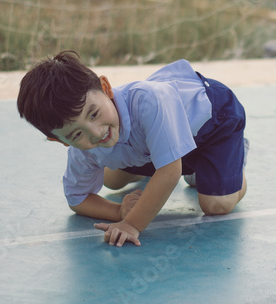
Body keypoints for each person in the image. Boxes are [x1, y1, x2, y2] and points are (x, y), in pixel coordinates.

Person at [17, 51, 248, 247]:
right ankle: (191, 164)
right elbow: (77, 199)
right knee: (112, 180)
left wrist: (130, 223)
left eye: (94, 113)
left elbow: (169, 173)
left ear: (106, 89)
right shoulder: (83, 148)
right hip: (153, 142)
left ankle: (234, 160)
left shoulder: (149, 101)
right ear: (61, 141)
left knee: (216, 205)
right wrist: (118, 211)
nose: (96, 133)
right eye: (77, 134)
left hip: (214, 121)